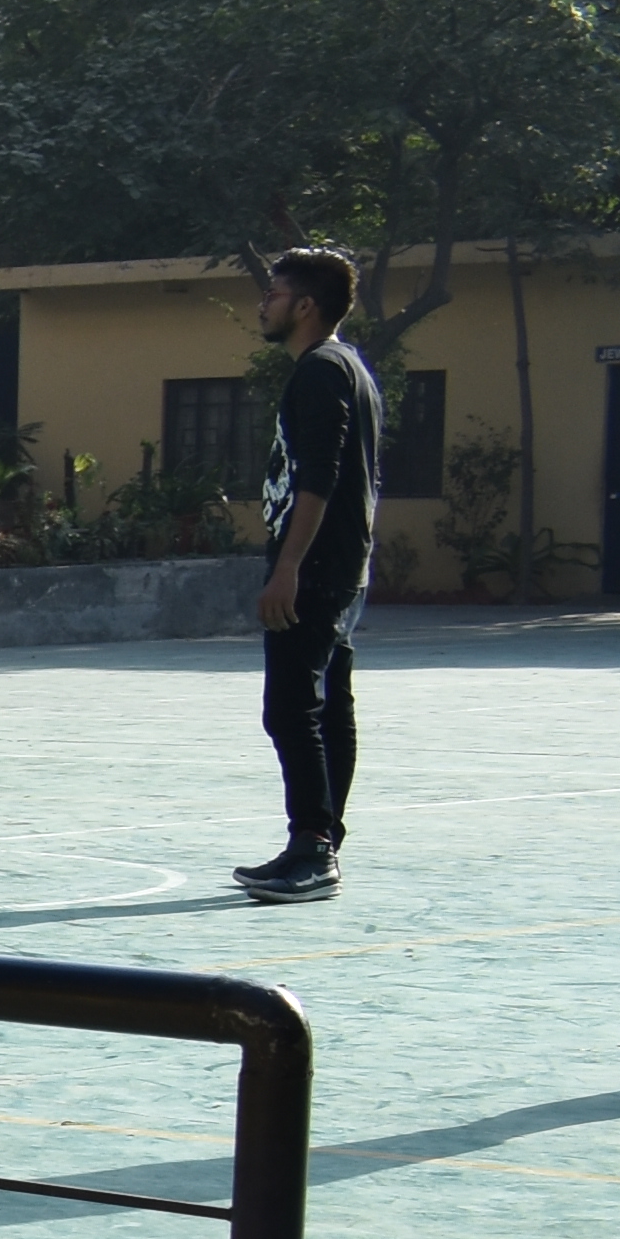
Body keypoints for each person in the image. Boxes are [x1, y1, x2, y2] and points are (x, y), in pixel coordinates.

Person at [236, 245, 380, 901]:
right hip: (342, 563)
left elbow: (318, 480)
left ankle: (314, 848)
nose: (262, 304)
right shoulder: (346, 366)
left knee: (291, 708)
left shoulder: (321, 371)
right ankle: (317, 841)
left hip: (317, 566)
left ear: (304, 306)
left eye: (272, 293)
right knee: (328, 708)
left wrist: (287, 566)